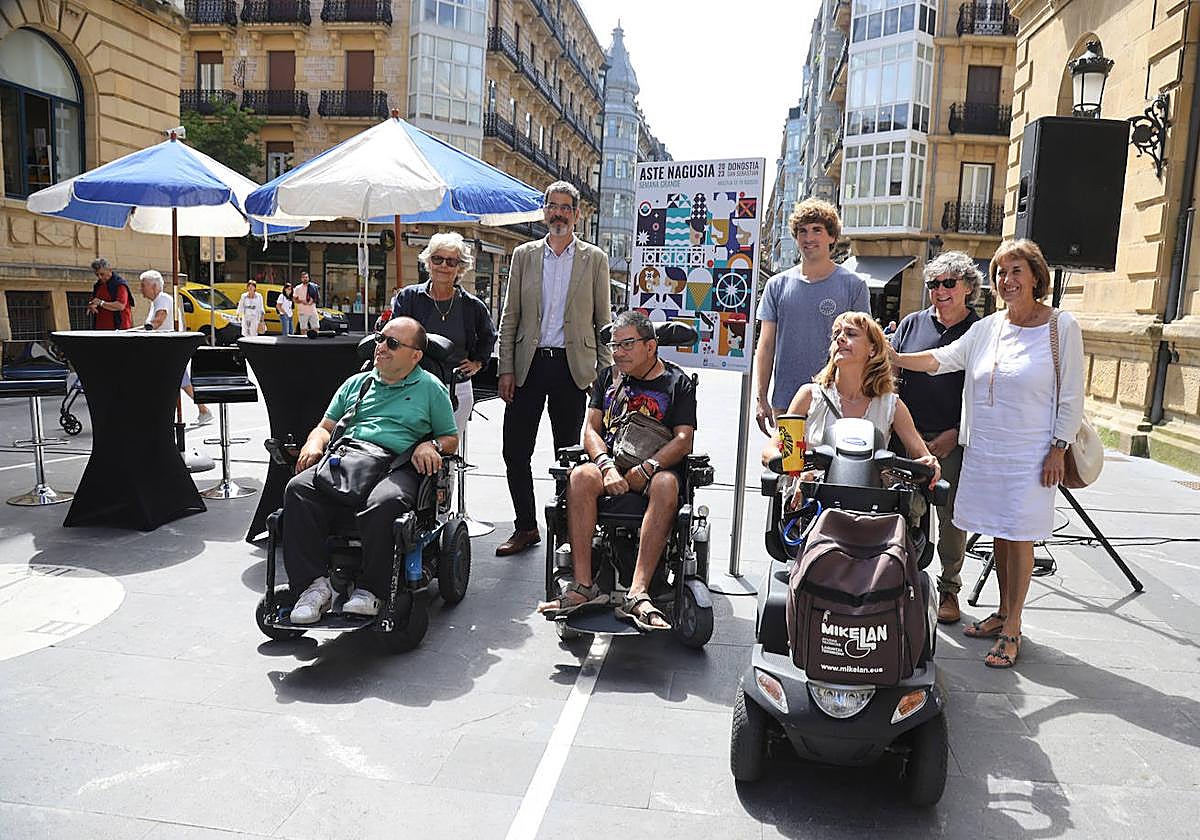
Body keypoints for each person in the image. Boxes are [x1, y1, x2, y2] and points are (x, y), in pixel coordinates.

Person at [890, 239, 1085, 669]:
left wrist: (1059, 447)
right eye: (1000, 272)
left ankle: (1013, 626)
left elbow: (1072, 394)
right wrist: (895, 356)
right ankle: (1001, 612)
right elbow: (942, 359)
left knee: (1019, 537)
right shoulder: (988, 328)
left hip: (1032, 452)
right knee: (999, 533)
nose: (1007, 279)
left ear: (1035, 277)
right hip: (987, 450)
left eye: (1016, 271)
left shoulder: (1061, 326)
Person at [284, 316, 459, 623]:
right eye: (380, 339)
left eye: (392, 343)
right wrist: (314, 442)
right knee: (299, 489)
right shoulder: (357, 383)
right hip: (349, 456)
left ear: (415, 355)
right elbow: (325, 426)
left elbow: (450, 438)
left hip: (398, 462)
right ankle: (312, 588)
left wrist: (430, 444)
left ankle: (371, 589)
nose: (381, 347)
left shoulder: (431, 388)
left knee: (385, 502)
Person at [535, 311, 696, 631]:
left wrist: (647, 468)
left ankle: (638, 593)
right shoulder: (607, 378)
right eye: (614, 345)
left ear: (650, 347)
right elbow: (590, 431)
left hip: (654, 468)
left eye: (627, 345)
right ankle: (583, 586)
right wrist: (606, 466)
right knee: (580, 476)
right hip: (611, 464)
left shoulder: (677, 382)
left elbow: (683, 439)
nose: (618, 352)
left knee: (666, 484)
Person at [495, 180, 613, 556]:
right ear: (544, 211)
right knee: (515, 451)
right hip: (527, 367)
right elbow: (510, 317)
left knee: (570, 454)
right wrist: (505, 368)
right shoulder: (524, 255)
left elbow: (604, 322)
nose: (558, 213)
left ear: (576, 215)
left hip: (572, 368)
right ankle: (526, 527)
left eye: (566, 208)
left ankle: (566, 531)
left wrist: (607, 378)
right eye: (553, 206)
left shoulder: (594, 259)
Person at [890, 251, 982, 625]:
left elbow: (985, 392)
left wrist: (955, 434)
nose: (939, 290)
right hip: (907, 436)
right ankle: (901, 582)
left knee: (952, 518)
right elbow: (893, 373)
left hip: (953, 441)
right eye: (933, 284)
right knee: (904, 511)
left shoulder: (980, 331)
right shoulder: (912, 323)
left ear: (968, 287)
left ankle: (949, 589)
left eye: (948, 283)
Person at [761, 311, 940, 491]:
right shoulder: (808, 396)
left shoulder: (891, 406)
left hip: (870, 504)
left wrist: (931, 463)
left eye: (851, 333)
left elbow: (923, 457)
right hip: (811, 501)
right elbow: (770, 451)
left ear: (873, 349)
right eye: (836, 335)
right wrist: (800, 471)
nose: (840, 339)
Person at [754, 199, 869, 435]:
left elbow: (863, 346)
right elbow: (765, 346)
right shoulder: (776, 285)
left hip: (838, 403)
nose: (809, 238)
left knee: (835, 460)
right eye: (802, 231)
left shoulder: (854, 286)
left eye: (817, 230)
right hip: (786, 403)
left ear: (832, 237)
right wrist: (761, 397)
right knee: (786, 459)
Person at [392, 232, 496, 430]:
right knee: (413, 444)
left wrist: (478, 363)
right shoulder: (409, 297)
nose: (443, 266)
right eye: (437, 259)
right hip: (413, 385)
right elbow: (394, 336)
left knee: (448, 444)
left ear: (460, 267)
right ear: (428, 262)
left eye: (451, 261)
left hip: (457, 388)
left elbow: (488, 336)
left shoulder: (472, 305)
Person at [135, 269, 213, 424]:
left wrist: (140, 331)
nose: (141, 289)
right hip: (166, 349)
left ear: (154, 286)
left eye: (143, 285)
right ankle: (203, 410)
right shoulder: (157, 301)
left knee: (179, 381)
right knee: (180, 381)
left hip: (169, 349)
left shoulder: (162, 299)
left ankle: (202, 410)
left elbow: (158, 320)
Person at [87, 258, 134, 330]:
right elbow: (94, 300)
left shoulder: (120, 285)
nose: (100, 277)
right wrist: (91, 305)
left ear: (109, 270)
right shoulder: (98, 285)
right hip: (101, 327)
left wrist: (101, 303)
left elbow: (120, 306)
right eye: (97, 275)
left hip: (118, 328)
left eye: (102, 274)